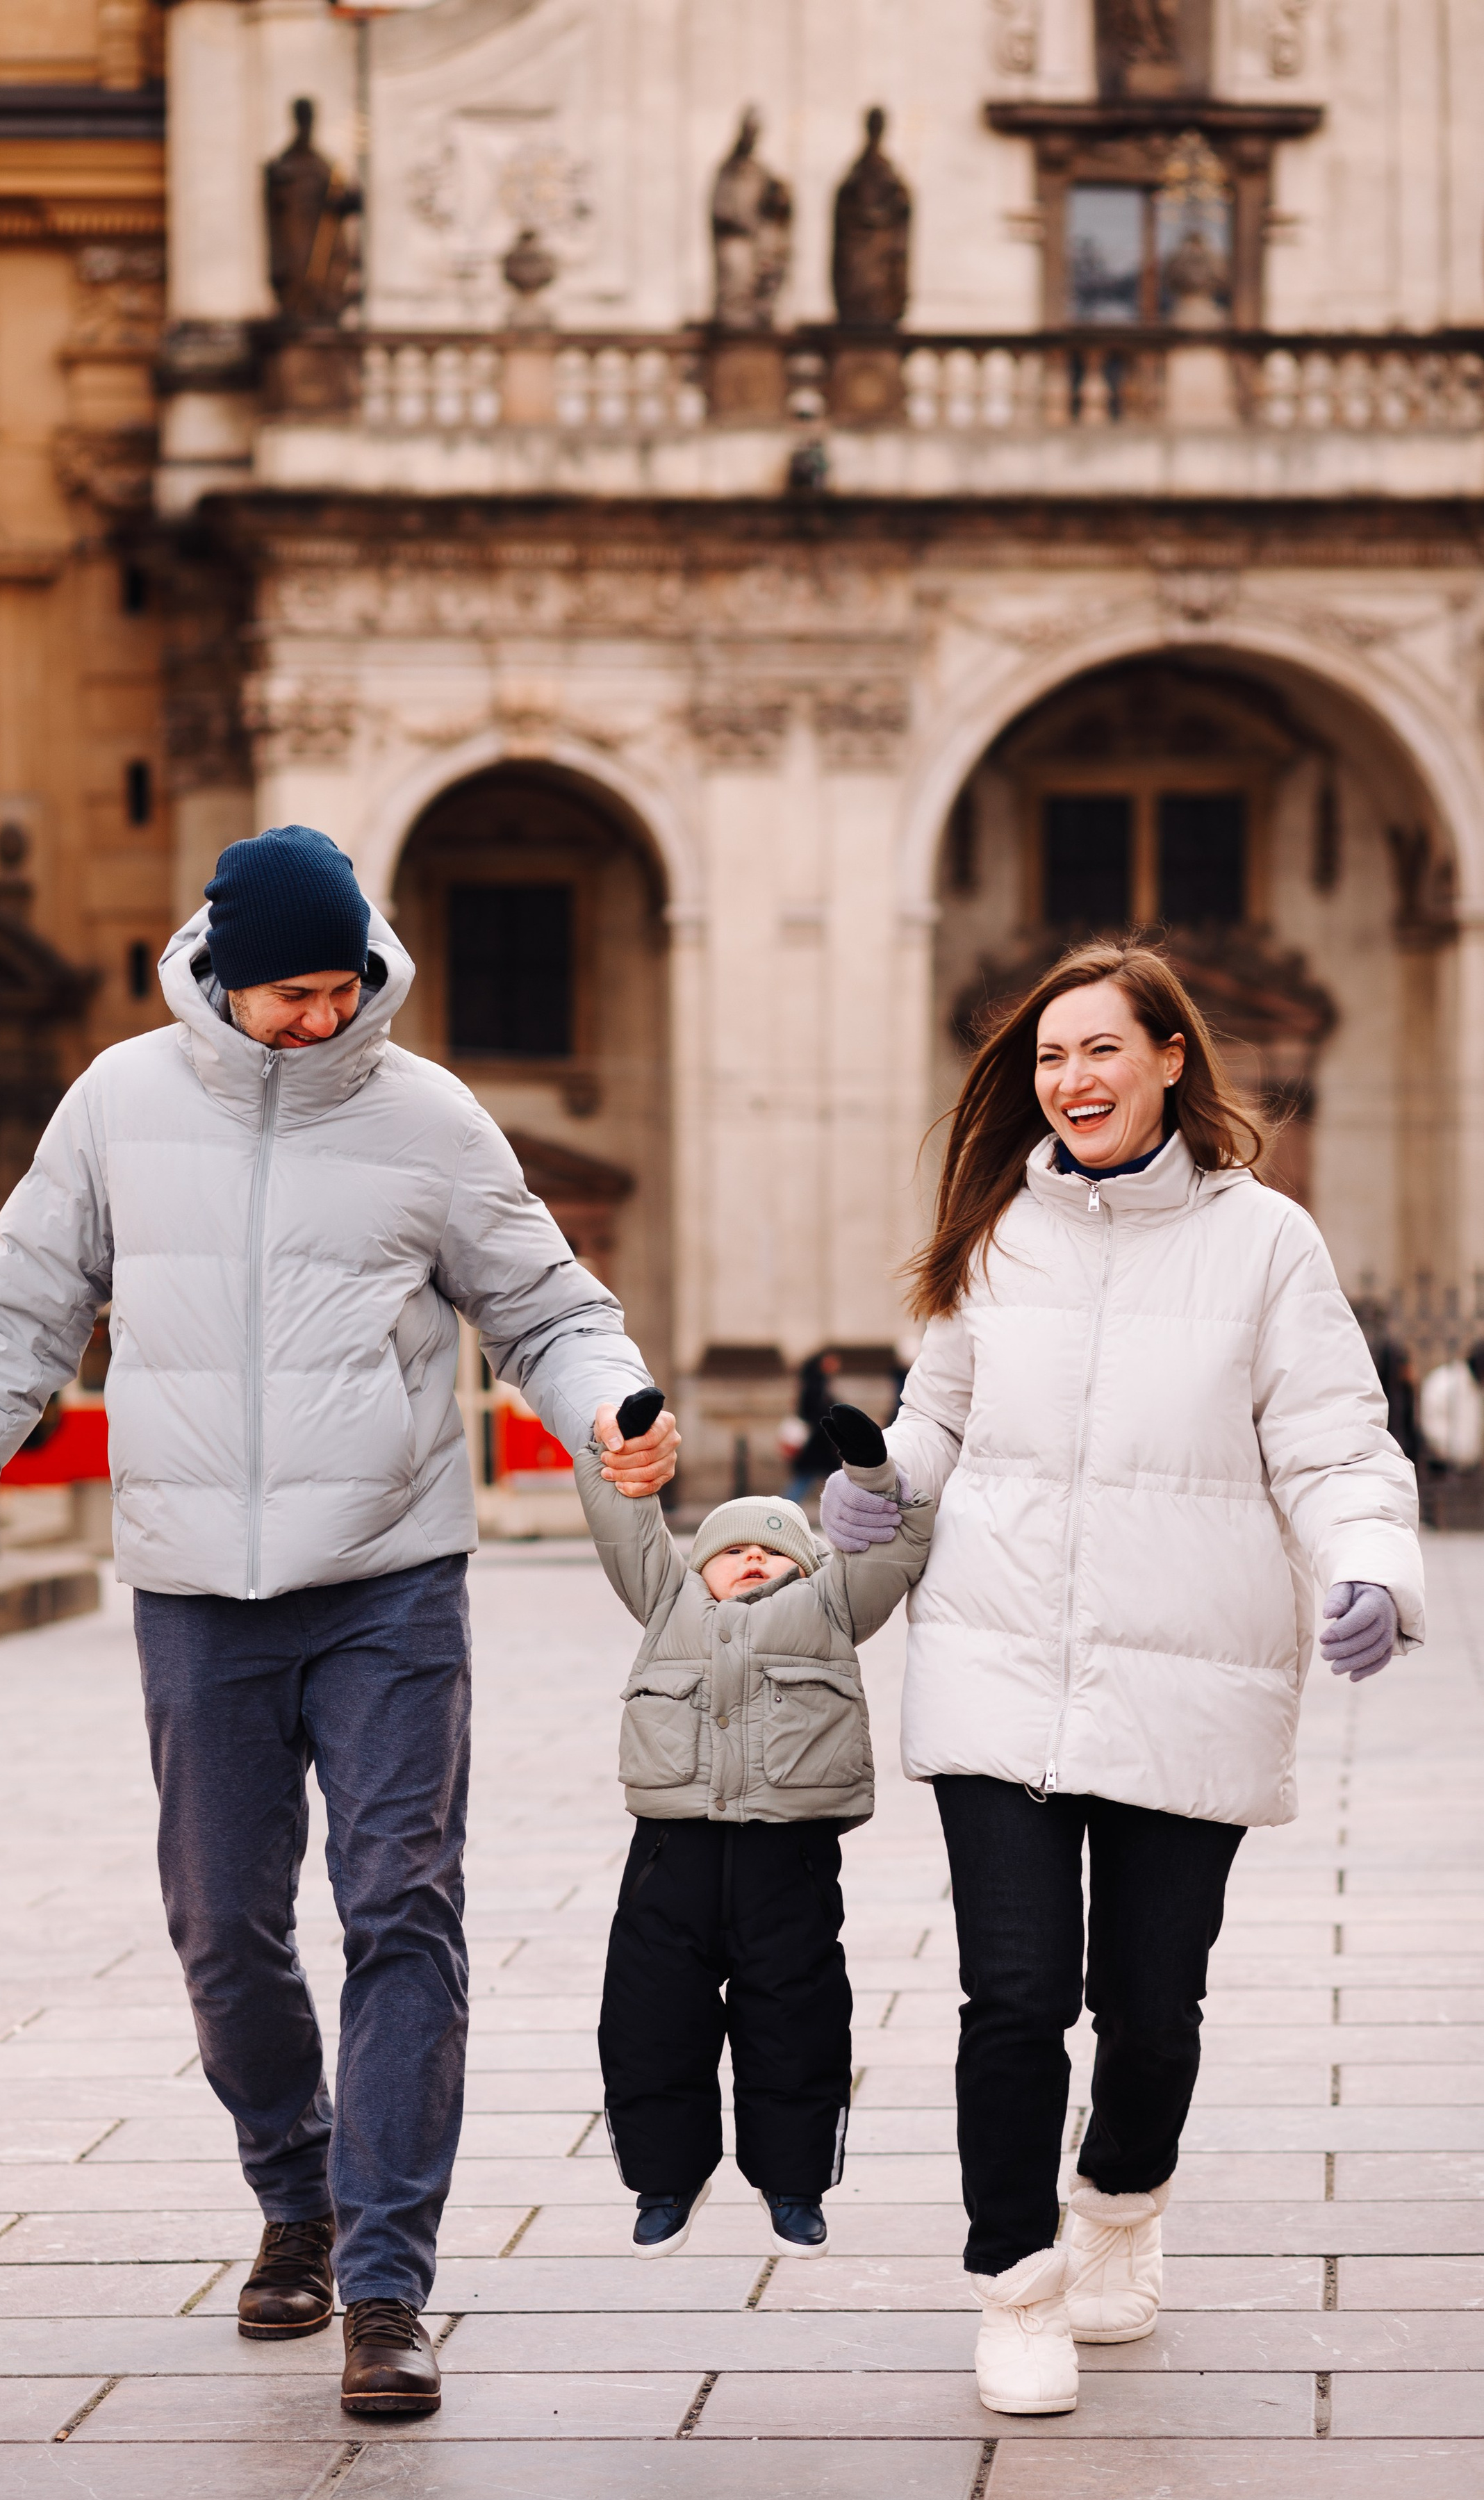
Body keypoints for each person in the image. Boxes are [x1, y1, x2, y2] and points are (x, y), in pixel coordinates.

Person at [0, 825, 677, 2421]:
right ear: (216, 975)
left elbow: (546, 1309)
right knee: (223, 1930)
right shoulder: (116, 1103)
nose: (315, 1018)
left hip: (387, 1579)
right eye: (284, 995)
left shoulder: (427, 1115)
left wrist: (610, 1410)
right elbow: (15, 1314)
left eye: (336, 988)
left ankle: (384, 2278)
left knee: (400, 1912)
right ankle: (293, 2196)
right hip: (195, 1594)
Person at [822, 939, 1423, 2417]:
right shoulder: (991, 1236)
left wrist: (1369, 1564)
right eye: (1045, 1056)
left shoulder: (1264, 1244)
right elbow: (938, 1422)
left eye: (1098, 1049)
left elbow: (1335, 1442)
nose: (1068, 1078)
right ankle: (1015, 2283)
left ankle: (1117, 2207)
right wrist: (877, 1485)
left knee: (1147, 2007)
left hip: (1188, 1670)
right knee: (1011, 1995)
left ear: (1168, 1060)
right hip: (998, 1663)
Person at [576, 1392, 932, 2260]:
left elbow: (897, 1542)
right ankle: (665, 2177)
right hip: (672, 1854)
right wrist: (616, 1448)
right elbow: (623, 1519)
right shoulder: (667, 1601)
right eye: (729, 1551)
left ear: (804, 1567)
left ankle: (794, 2182)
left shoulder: (831, 1605)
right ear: (696, 1566)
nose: (748, 1561)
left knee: (797, 2021)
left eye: (771, 1551)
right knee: (649, 2017)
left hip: (790, 1859)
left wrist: (871, 1473)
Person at [786, 1348, 843, 1508]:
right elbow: (815, 1413)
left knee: (827, 1478)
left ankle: (784, 1509)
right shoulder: (816, 1385)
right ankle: (783, 1509)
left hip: (820, 1442)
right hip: (818, 1442)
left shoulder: (818, 1382)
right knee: (832, 1478)